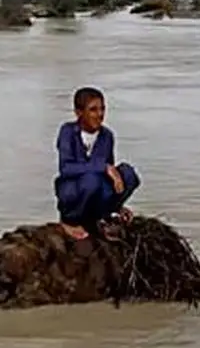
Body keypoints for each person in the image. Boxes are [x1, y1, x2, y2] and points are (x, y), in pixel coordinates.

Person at [53, 86, 141, 240]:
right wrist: (103, 167)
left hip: (96, 188)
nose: (100, 115)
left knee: (128, 174)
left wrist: (117, 205)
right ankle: (69, 222)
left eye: (102, 109)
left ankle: (105, 214)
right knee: (91, 179)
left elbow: (111, 174)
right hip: (73, 190)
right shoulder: (67, 132)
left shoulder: (107, 135)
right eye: (93, 110)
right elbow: (66, 168)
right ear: (79, 113)